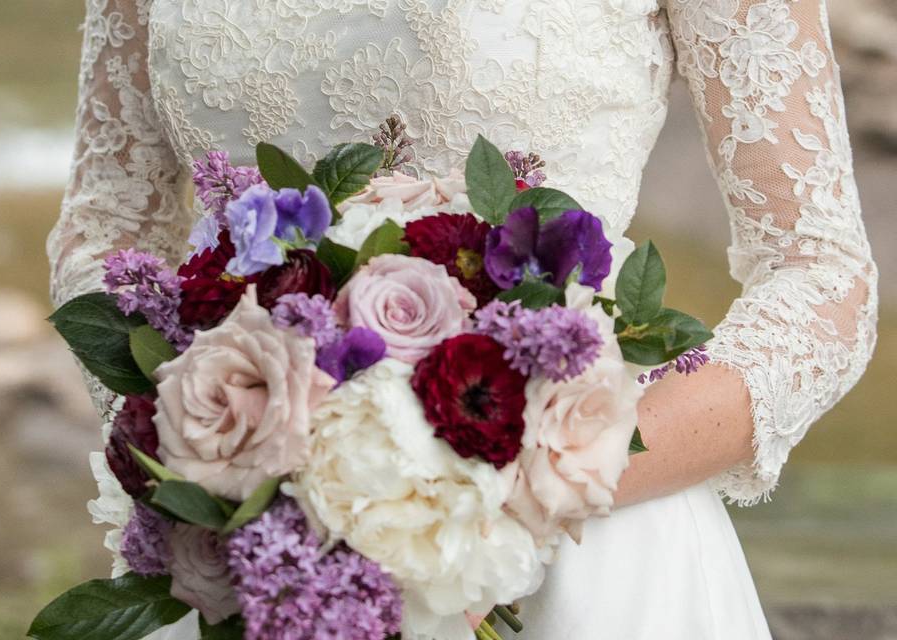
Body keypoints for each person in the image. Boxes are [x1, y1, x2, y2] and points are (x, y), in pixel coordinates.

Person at [48, 1, 878, 638]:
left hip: (580, 550)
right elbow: (108, 226)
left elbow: (822, 273)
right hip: (260, 558)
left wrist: (496, 493)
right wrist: (205, 439)